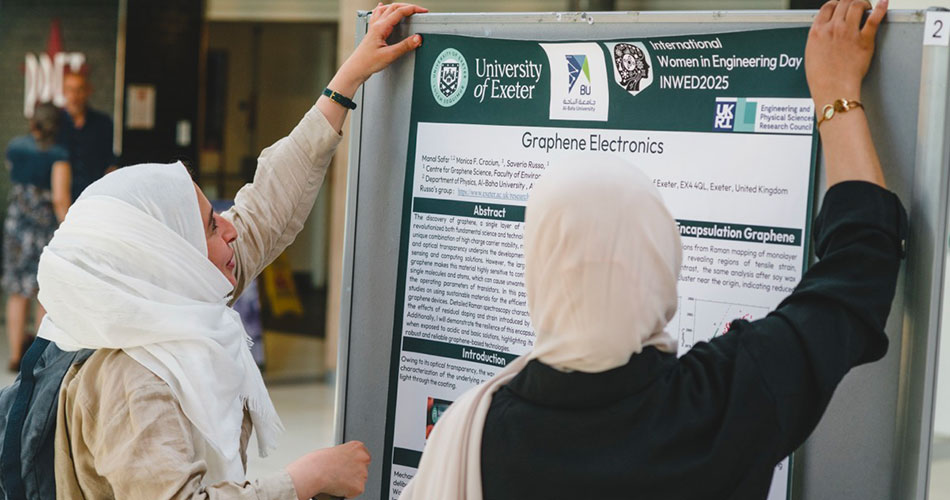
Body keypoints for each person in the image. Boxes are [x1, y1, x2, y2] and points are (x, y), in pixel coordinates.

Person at [401, 1, 904, 499]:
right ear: (660, 257)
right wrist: (838, 95)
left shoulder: (473, 432)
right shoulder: (724, 401)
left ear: (538, 265)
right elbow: (859, 269)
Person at [42, 3, 427, 499]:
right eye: (207, 225)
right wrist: (306, 480)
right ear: (166, 255)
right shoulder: (131, 382)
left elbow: (267, 205)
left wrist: (346, 80)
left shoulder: (173, 307)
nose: (230, 229)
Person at [3, 102, 71, 372]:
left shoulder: (15, 147)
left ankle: (13, 354)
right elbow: (59, 197)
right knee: (44, 292)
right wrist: (69, 226)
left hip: (15, 226)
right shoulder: (58, 154)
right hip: (42, 230)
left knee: (17, 293)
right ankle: (34, 358)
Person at [59, 69, 118, 202]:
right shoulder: (55, 122)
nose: (74, 96)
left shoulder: (103, 123)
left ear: (88, 91)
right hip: (59, 202)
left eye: (79, 90)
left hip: (92, 199)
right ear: (63, 91)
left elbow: (111, 163)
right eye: (69, 90)